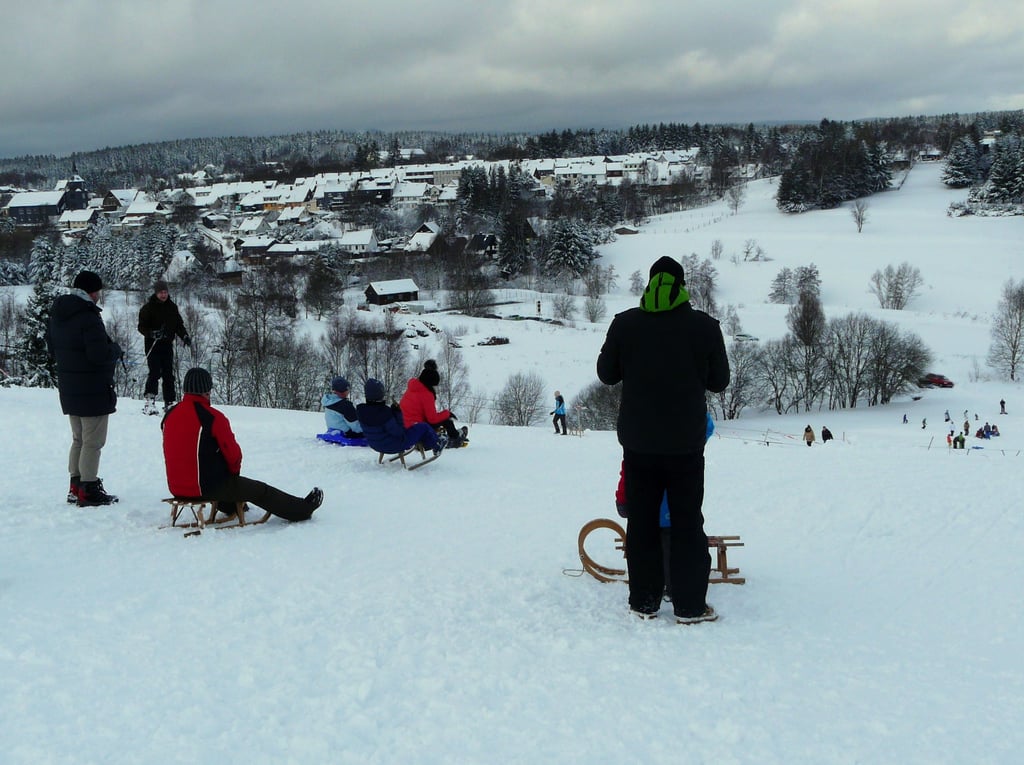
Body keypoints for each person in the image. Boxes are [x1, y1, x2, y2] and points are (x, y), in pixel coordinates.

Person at [597, 255, 729, 624]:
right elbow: (720, 381)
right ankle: (689, 606)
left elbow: (606, 374)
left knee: (641, 523)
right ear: (682, 286)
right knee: (688, 521)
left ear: (650, 285)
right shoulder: (704, 327)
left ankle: (644, 601)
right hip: (686, 443)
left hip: (638, 443)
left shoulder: (625, 324)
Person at [162, 367, 323, 521]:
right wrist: (233, 475)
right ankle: (302, 510)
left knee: (218, 477)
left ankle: (231, 505)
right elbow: (233, 455)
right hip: (206, 488)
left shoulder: (169, 415)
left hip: (176, 487)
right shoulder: (212, 417)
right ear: (207, 390)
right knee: (260, 490)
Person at [614, 413, 716, 603]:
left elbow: (626, 475)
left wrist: (622, 500)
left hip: (649, 506)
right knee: (674, 546)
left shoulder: (639, 449)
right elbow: (706, 426)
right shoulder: (686, 448)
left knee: (654, 546)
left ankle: (657, 586)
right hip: (676, 506)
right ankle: (673, 586)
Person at [47, 270, 123, 507]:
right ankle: (88, 489)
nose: (99, 296)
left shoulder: (59, 314)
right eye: (98, 291)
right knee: (93, 442)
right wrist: (116, 351)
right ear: (92, 292)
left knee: (78, 439)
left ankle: (75, 485)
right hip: (93, 388)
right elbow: (98, 354)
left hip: (69, 387)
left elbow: (51, 349)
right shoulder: (88, 316)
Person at [137, 279, 191, 414]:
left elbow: (178, 325)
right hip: (153, 345)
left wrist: (184, 336)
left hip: (167, 344)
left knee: (168, 374)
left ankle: (169, 402)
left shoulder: (172, 307)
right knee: (154, 372)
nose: (163, 295)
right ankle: (150, 400)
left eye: (165, 292)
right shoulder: (148, 308)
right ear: (156, 293)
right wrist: (152, 333)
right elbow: (141, 327)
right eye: (161, 292)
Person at [358, 377, 446, 456]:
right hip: (393, 445)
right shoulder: (384, 412)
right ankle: (437, 445)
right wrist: (397, 413)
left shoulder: (361, 411)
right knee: (424, 426)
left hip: (375, 445)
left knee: (415, 427)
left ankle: (429, 443)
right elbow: (399, 432)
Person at [399, 359, 468, 447]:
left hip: (403, 425)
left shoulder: (412, 388)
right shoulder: (426, 394)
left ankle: (450, 435)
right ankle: (456, 438)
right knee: (446, 421)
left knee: (440, 419)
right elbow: (432, 419)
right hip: (416, 428)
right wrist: (447, 413)